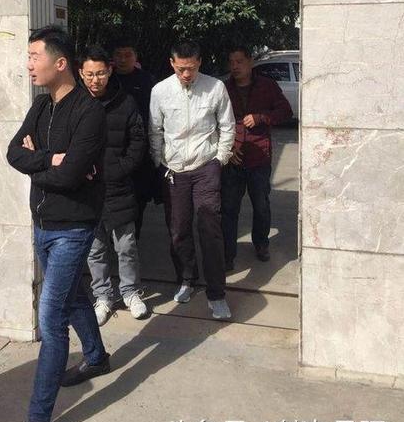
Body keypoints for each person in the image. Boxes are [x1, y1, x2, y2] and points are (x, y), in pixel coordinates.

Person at [6, 26, 109, 422]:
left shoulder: (89, 113)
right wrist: (49, 158)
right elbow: (13, 153)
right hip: (42, 224)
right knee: (72, 296)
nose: (29, 65)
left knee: (50, 321)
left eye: (35, 56)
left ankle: (38, 421)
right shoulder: (40, 106)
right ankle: (97, 356)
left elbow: (70, 178)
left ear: (60, 62)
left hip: (73, 227)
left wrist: (41, 163)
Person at [148, 40, 235, 320]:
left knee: (210, 227)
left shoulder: (215, 87)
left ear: (199, 62)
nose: (186, 74)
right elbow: (155, 130)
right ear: (172, 63)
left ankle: (217, 294)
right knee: (178, 229)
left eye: (192, 68)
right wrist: (158, 161)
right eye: (181, 69)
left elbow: (227, 125)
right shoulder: (160, 91)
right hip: (173, 170)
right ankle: (186, 278)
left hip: (206, 165)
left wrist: (220, 159)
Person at [79, 45, 148, 326]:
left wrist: (121, 169)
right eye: (90, 74)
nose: (95, 80)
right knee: (95, 249)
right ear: (81, 74)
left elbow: (138, 140)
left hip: (119, 187)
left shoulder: (125, 101)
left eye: (100, 73)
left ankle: (130, 292)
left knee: (126, 245)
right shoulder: (74, 102)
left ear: (109, 71)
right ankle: (103, 296)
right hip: (86, 189)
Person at [221, 46, 293, 271]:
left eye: (239, 61)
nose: (235, 66)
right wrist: (227, 149)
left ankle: (261, 243)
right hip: (232, 158)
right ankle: (227, 254)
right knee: (228, 209)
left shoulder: (267, 86)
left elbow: (286, 112)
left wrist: (262, 117)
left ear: (250, 62)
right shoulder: (223, 89)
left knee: (261, 206)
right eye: (231, 62)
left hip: (259, 158)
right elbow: (212, 122)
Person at [112, 39, 156, 239]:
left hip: (140, 150)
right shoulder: (107, 80)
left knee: (139, 198)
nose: (123, 59)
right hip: (113, 149)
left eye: (127, 55)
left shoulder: (147, 81)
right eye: (119, 55)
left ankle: (133, 239)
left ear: (136, 57)